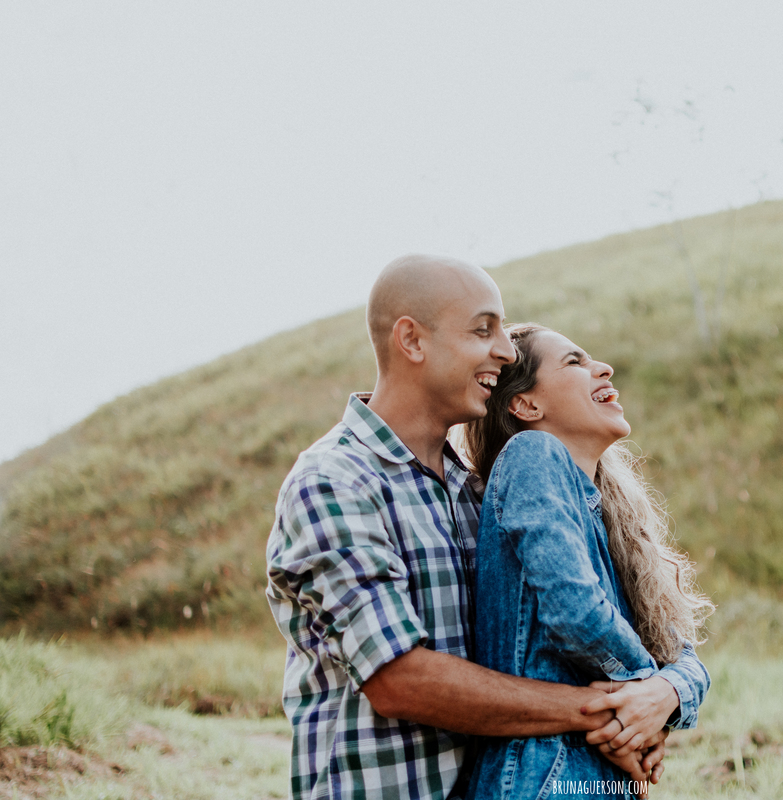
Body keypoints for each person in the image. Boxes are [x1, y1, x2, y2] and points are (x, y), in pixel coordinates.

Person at [265, 256, 665, 800]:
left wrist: (653, 700)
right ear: (412, 340)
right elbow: (398, 680)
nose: (504, 350)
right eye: (484, 329)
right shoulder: (334, 481)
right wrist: (607, 713)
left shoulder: (480, 494)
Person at [461, 323, 715, 799]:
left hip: (593, 776)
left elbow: (686, 658)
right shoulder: (531, 454)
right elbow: (573, 610)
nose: (604, 367)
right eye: (575, 362)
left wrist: (663, 697)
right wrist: (642, 699)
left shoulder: (608, 513)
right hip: (543, 777)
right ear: (526, 405)